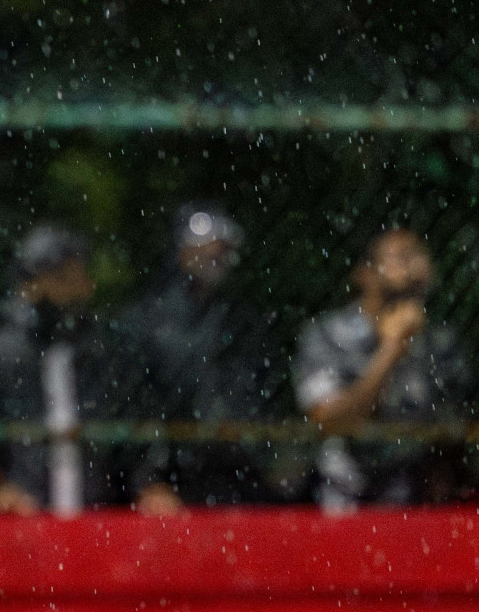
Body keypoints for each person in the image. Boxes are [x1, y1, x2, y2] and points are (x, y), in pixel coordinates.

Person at [0, 224, 157, 515]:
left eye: (79, 275)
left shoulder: (108, 356)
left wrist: (147, 486)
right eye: (61, 277)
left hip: (99, 523)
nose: (79, 287)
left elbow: (132, 439)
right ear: (29, 284)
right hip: (19, 527)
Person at [294, 228, 475, 510]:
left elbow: (459, 424)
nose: (416, 267)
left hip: (425, 508)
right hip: (346, 505)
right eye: (402, 257)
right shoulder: (329, 336)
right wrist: (391, 350)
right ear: (364, 273)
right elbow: (331, 421)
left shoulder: (441, 342)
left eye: (419, 256)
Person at [117, 203, 280, 506]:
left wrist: (266, 459)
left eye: (222, 250)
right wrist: (147, 481)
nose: (214, 256)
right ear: (181, 250)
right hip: (172, 486)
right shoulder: (143, 325)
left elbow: (260, 398)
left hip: (239, 483)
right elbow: (133, 406)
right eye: (205, 247)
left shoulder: (242, 322)